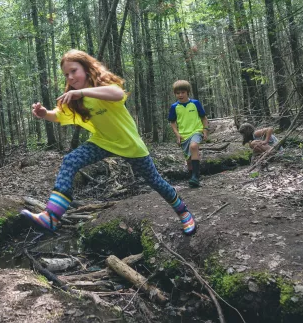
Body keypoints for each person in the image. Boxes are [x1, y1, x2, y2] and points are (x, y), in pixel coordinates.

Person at [20, 49, 196, 236]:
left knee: (155, 181)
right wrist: (44, 113)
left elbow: (117, 94)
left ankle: (183, 212)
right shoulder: (74, 98)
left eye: (74, 71)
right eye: (66, 74)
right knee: (70, 161)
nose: (70, 77)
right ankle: (51, 216)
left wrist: (82, 92)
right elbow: (59, 115)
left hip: (129, 144)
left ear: (86, 68)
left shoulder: (102, 85)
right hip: (102, 142)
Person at [168, 80, 209, 188]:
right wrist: (177, 134)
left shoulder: (195, 103)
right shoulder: (174, 107)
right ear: (175, 94)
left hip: (196, 131)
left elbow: (204, 118)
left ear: (187, 92)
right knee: (189, 160)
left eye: (183, 92)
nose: (180, 95)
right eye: (178, 93)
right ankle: (192, 178)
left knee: (194, 146)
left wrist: (205, 130)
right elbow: (172, 122)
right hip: (183, 135)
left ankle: (196, 176)